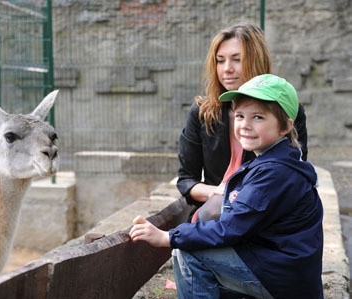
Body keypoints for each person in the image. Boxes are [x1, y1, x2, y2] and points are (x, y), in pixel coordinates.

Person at [129, 74, 324, 298]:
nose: (245, 125)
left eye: (258, 117)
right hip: (285, 269)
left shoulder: (275, 173)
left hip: (284, 279)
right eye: (240, 116)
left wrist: (168, 237)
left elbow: (230, 229)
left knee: (188, 252)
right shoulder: (277, 161)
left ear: (285, 127)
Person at [177, 23, 308, 221]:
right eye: (220, 61)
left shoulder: (289, 111)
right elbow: (186, 180)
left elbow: (296, 174)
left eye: (236, 60)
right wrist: (217, 192)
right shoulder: (202, 112)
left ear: (256, 61)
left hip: (264, 220)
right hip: (211, 220)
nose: (227, 69)